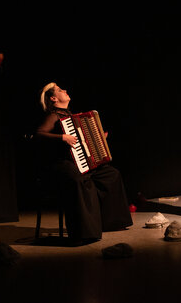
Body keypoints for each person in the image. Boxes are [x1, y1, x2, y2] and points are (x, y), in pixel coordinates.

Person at [35, 82, 133, 244]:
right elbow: (39, 134)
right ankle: (85, 232)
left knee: (111, 174)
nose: (65, 90)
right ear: (53, 98)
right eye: (60, 90)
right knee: (80, 180)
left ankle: (111, 222)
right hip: (60, 164)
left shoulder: (70, 116)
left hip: (77, 162)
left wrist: (99, 138)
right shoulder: (53, 116)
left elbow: (81, 142)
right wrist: (62, 138)